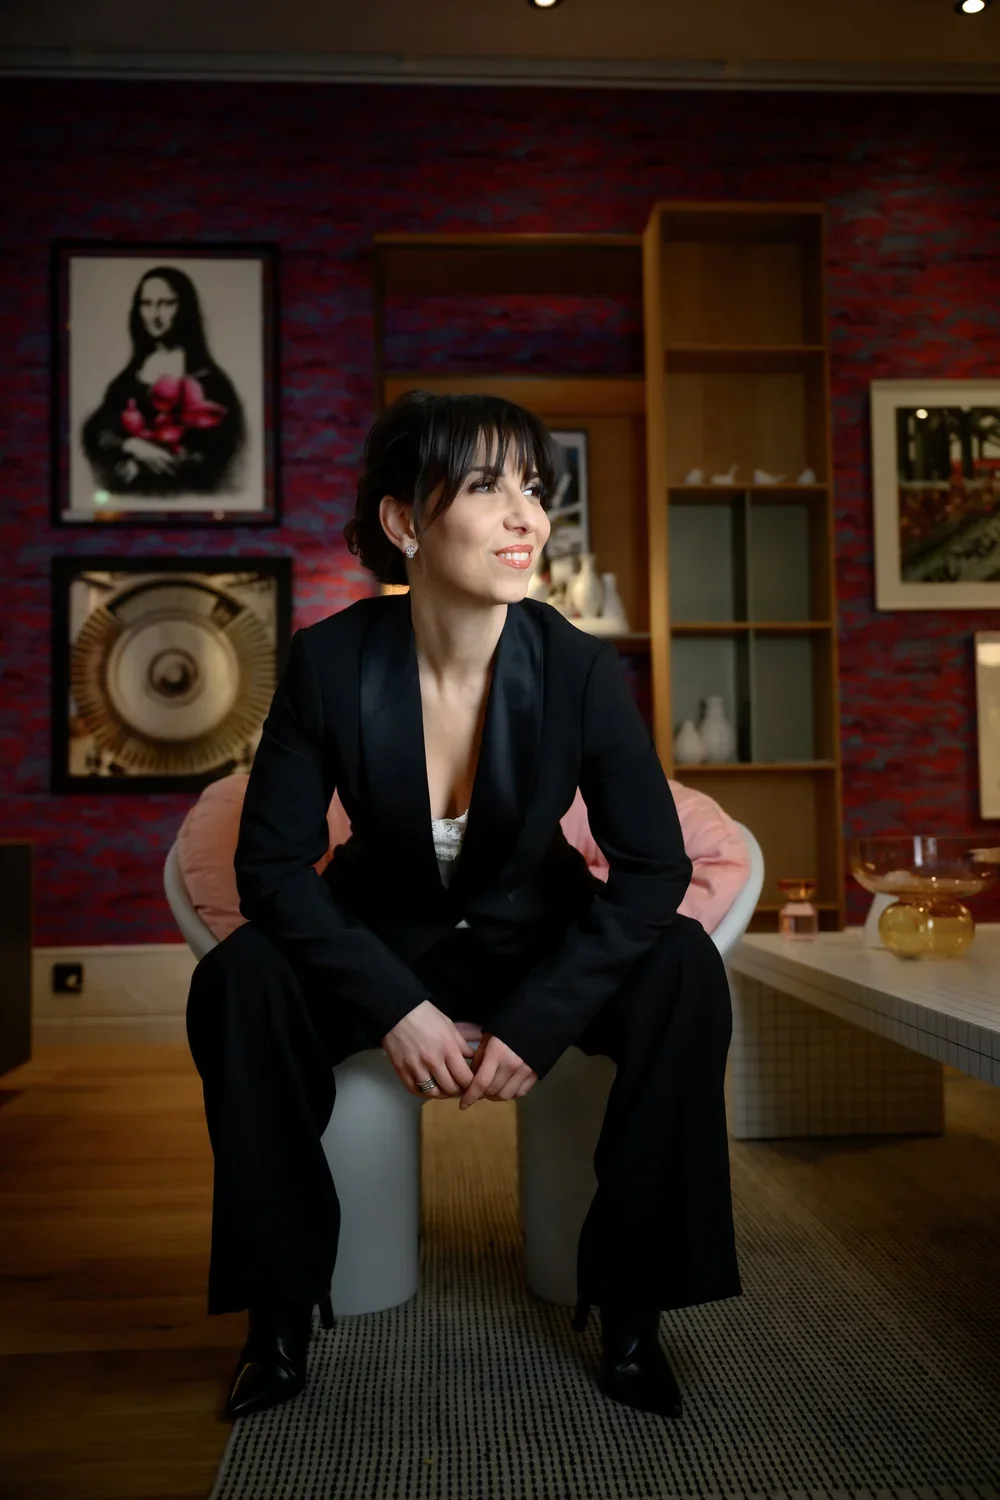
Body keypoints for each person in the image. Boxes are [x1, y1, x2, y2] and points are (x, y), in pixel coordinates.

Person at [185, 390, 743, 1424]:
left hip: (537, 947)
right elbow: (269, 868)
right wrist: (396, 1006)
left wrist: (540, 1018)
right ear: (404, 521)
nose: (526, 515)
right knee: (239, 980)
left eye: (532, 487)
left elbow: (653, 870)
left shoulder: (575, 667)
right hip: (379, 943)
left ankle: (630, 1308)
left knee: (680, 967)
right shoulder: (330, 662)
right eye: (487, 487)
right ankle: (277, 1311)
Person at [81, 265, 245, 499]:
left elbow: (218, 451)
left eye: (166, 303)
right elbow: (97, 431)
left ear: (185, 308)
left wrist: (151, 461)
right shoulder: (128, 379)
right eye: (146, 304)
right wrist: (132, 446)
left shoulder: (208, 379)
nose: (155, 316)